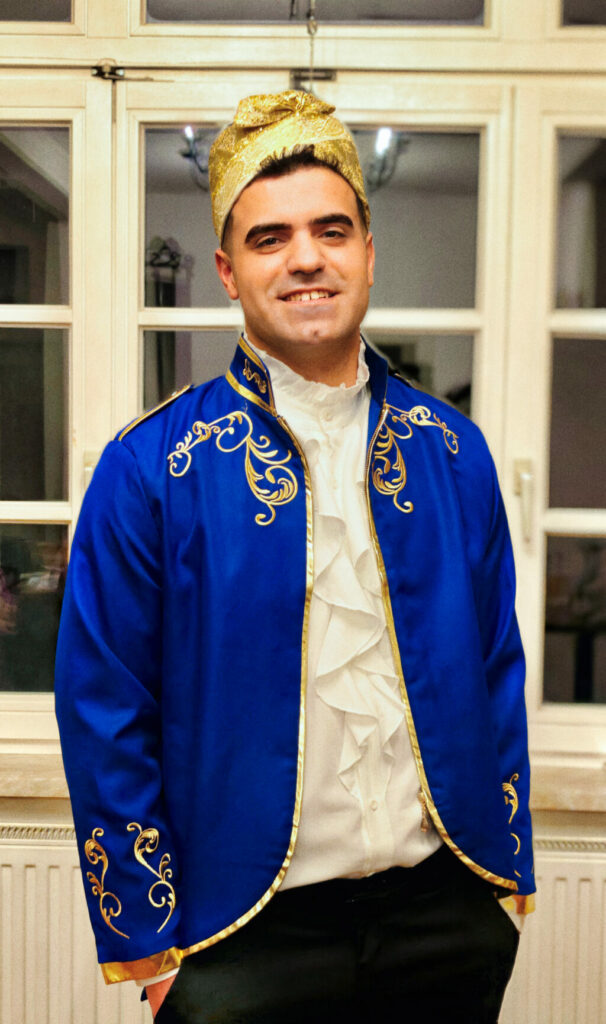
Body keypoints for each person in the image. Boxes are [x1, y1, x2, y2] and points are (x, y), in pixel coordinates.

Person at [55, 90, 535, 1023]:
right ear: (229, 272)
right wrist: (153, 949)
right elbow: (105, 711)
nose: (306, 258)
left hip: (444, 921)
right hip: (239, 943)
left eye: (331, 230)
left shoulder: (453, 451)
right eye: (270, 238)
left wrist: (501, 877)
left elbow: (495, 670)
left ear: (368, 252)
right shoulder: (149, 468)